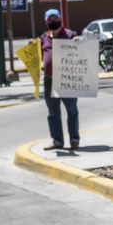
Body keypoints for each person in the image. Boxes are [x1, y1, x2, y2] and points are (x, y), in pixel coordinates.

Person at [40, 8, 80, 151]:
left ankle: (74, 139)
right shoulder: (43, 38)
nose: (53, 22)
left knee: (72, 110)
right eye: (50, 20)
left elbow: (80, 51)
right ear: (46, 22)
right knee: (53, 112)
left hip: (66, 78)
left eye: (55, 19)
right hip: (49, 80)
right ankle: (57, 141)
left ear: (60, 19)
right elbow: (41, 56)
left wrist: (78, 43)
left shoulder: (70, 35)